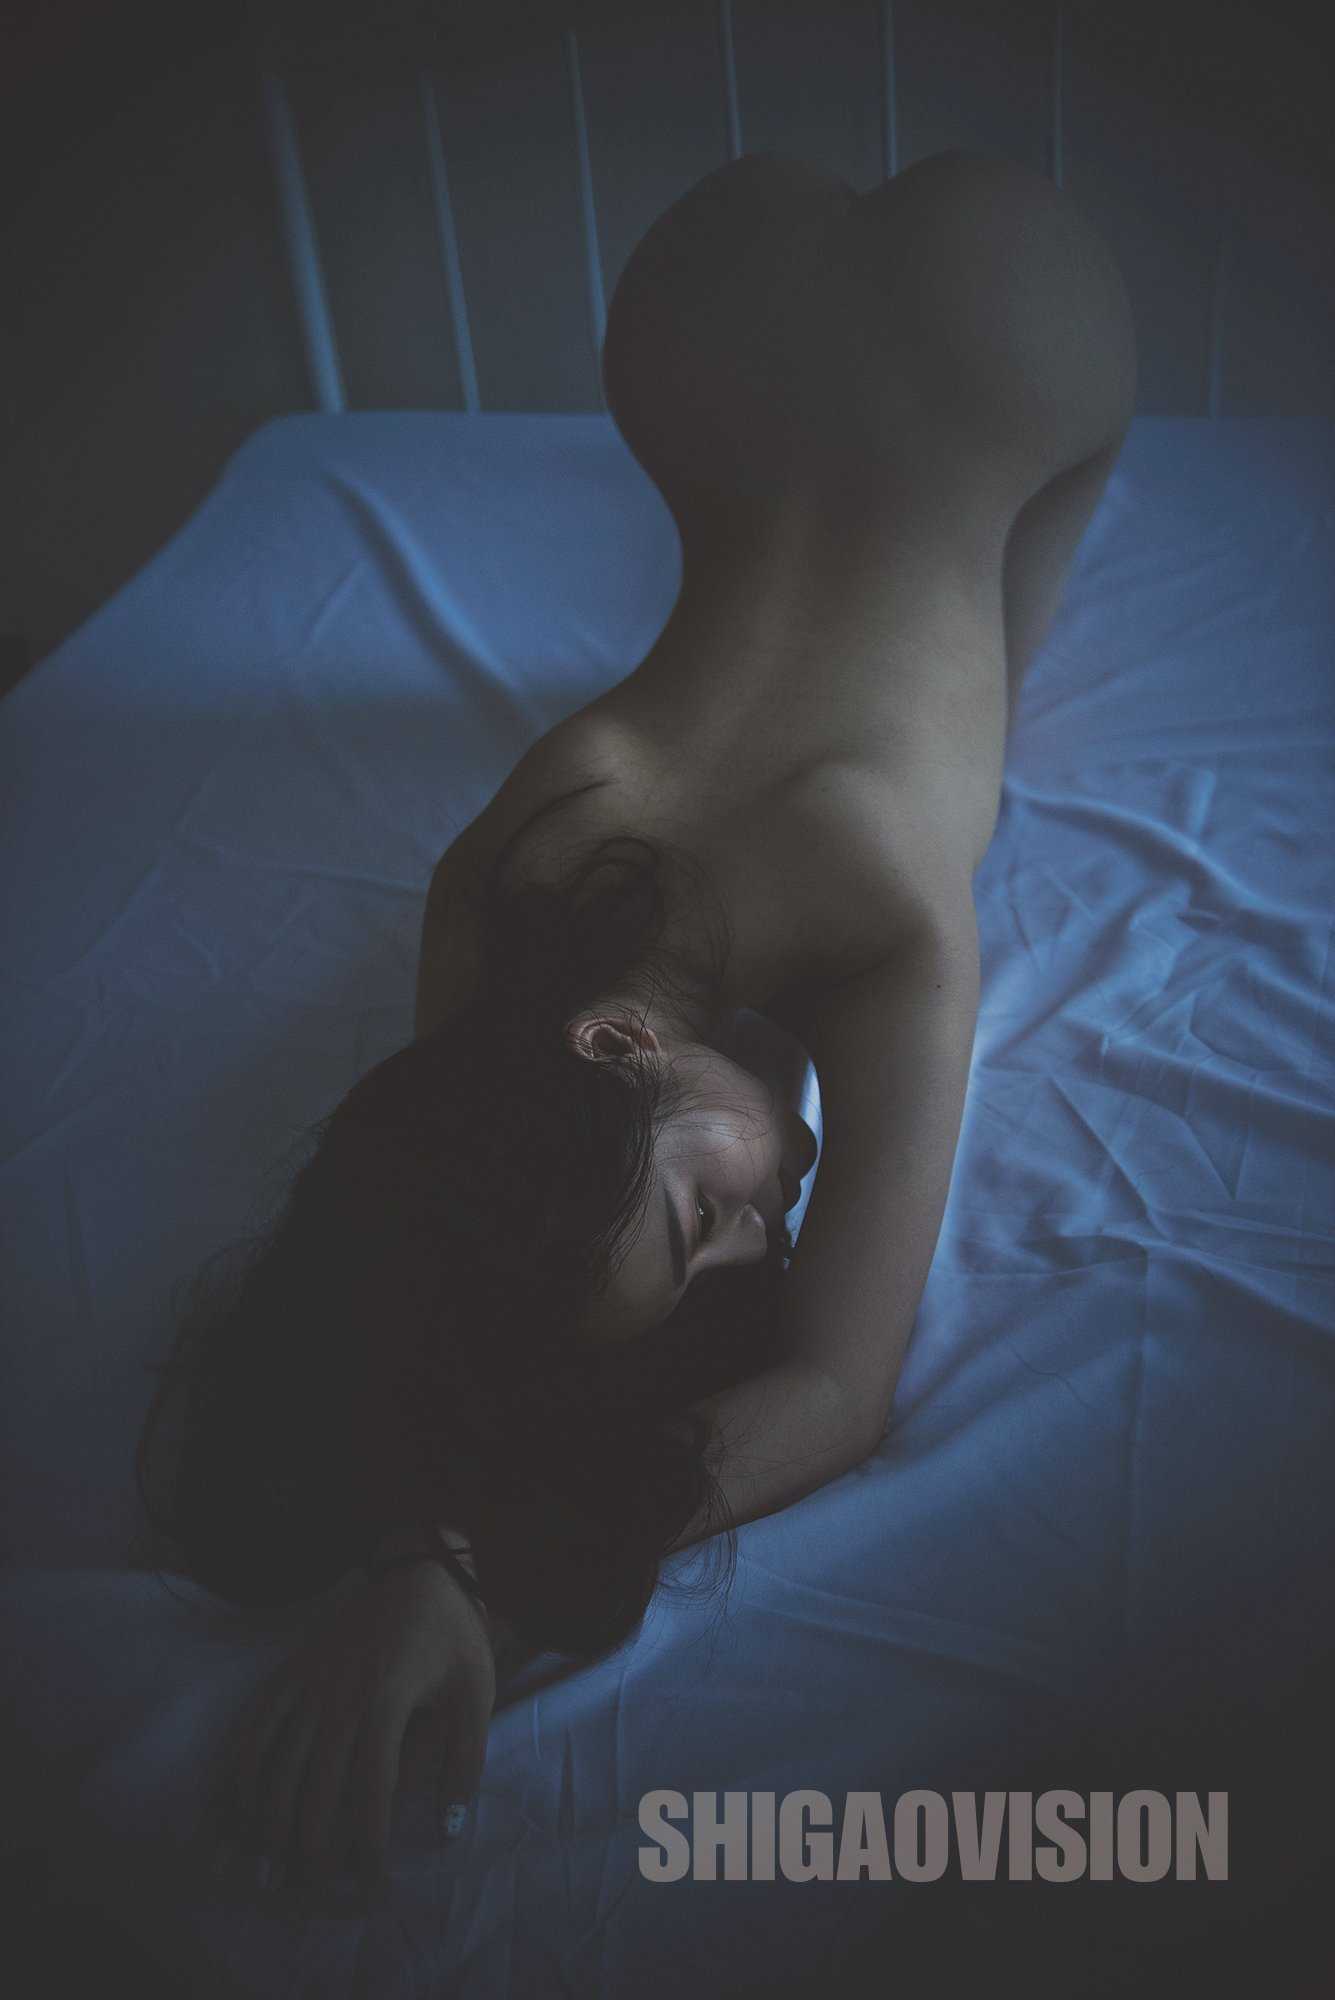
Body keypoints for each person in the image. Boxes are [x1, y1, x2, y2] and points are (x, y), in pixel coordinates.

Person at [132, 147, 1137, 1911]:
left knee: (980, 673)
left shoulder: (891, 910)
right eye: (731, 1248)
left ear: (611, 1048)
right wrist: (425, 1544)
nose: (768, 1228)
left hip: (1012, 327)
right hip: (703, 317)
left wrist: (478, 1571)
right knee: (934, 594)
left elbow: (835, 1390)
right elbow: (443, 1234)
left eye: (702, 1214)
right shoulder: (510, 865)